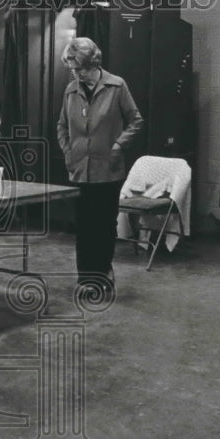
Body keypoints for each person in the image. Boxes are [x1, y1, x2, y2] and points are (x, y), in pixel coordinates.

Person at [56, 37, 143, 287]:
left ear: (92, 63)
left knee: (104, 225)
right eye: (72, 68)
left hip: (108, 170)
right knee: (84, 227)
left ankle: (103, 271)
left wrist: (118, 145)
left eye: (78, 68)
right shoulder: (71, 89)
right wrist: (68, 151)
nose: (74, 73)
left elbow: (136, 121)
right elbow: (61, 125)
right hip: (79, 169)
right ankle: (85, 278)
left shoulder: (117, 86)